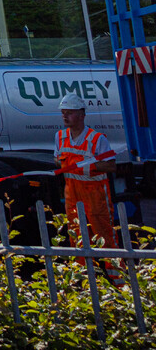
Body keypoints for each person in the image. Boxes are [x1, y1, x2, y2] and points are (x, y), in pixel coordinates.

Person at [54, 92, 121, 277]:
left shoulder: (97, 139)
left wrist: (84, 167)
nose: (65, 116)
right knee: (77, 237)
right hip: (72, 195)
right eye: (63, 112)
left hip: (95, 194)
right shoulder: (60, 137)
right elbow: (58, 160)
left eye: (70, 112)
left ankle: (116, 281)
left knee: (104, 236)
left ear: (82, 115)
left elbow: (111, 165)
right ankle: (85, 279)